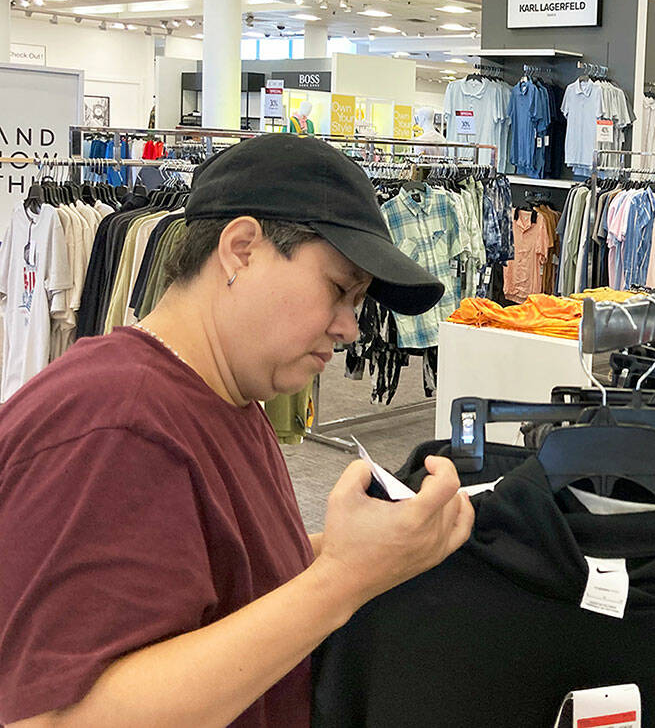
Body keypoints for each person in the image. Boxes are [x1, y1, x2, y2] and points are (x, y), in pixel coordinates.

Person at [0, 134, 475, 727]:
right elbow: (59, 717)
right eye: (338, 288)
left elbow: (224, 584)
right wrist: (339, 581)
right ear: (242, 250)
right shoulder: (116, 425)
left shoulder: (224, 397)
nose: (351, 328)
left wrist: (370, 553)